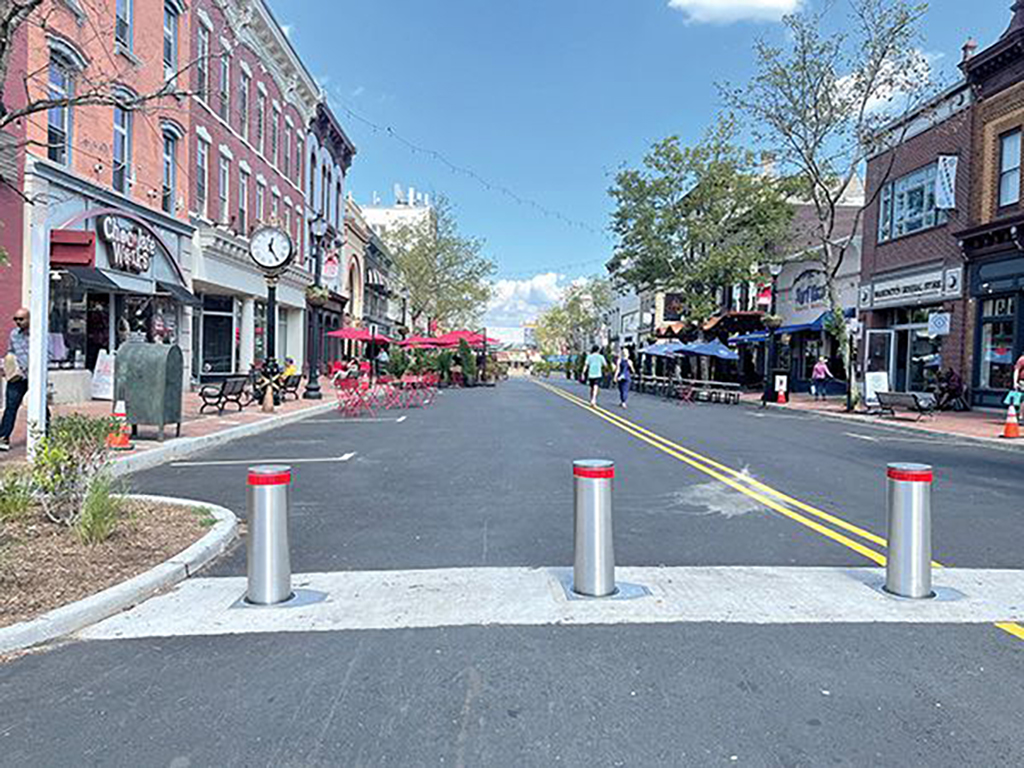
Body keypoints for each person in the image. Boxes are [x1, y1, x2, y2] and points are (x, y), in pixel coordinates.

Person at [0, 308, 31, 451]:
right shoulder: (14, 334)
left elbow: (48, 354)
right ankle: (3, 437)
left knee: (41, 408)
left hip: (34, 377)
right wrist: (7, 366)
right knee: (11, 408)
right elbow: (11, 352)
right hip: (17, 377)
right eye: (16, 319)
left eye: (21, 319)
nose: (18, 322)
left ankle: (46, 435)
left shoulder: (39, 333)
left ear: (29, 319)